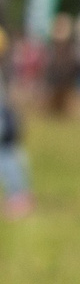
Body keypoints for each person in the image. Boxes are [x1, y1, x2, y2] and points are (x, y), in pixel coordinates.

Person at [0, 24, 33, 219]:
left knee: (7, 156)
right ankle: (20, 196)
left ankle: (19, 198)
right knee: (12, 155)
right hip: (7, 119)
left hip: (3, 121)